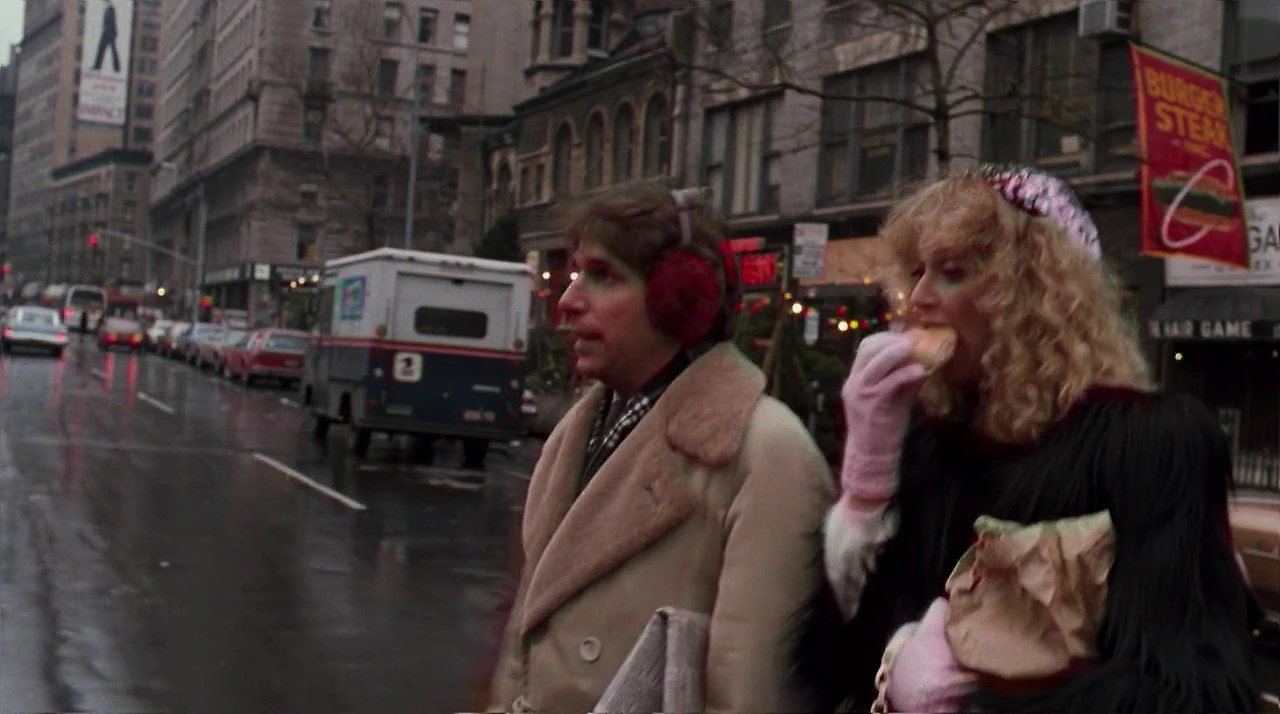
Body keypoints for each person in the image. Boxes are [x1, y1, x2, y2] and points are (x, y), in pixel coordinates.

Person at [796, 167, 1258, 713]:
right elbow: (835, 664)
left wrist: (970, 705)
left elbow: (1192, 689)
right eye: (916, 271)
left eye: (951, 273)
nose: (917, 298)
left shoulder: (1148, 445)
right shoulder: (931, 439)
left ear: (1028, 292)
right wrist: (865, 487)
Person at [486, 182, 834, 713]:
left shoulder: (768, 455)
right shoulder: (573, 434)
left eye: (602, 276)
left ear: (680, 300)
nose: (568, 302)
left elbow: (747, 695)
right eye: (576, 274)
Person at [92, 0, 121, 74]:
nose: (105, 3)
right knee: (101, 49)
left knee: (113, 51)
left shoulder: (111, 9)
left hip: (110, 33)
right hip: (105, 32)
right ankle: (97, 66)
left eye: (106, 2)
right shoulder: (106, 9)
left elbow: (113, 22)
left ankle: (117, 68)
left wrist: (114, 33)